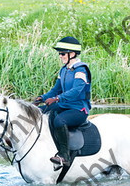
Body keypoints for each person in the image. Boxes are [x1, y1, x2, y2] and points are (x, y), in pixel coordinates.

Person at [34, 36, 91, 170]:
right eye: (59, 53)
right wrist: (42, 98)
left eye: (62, 53)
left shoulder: (81, 70)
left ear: (72, 54)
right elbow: (56, 89)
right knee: (41, 111)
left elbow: (76, 91)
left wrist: (57, 99)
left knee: (60, 121)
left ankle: (64, 156)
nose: (60, 56)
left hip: (78, 109)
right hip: (64, 105)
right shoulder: (64, 70)